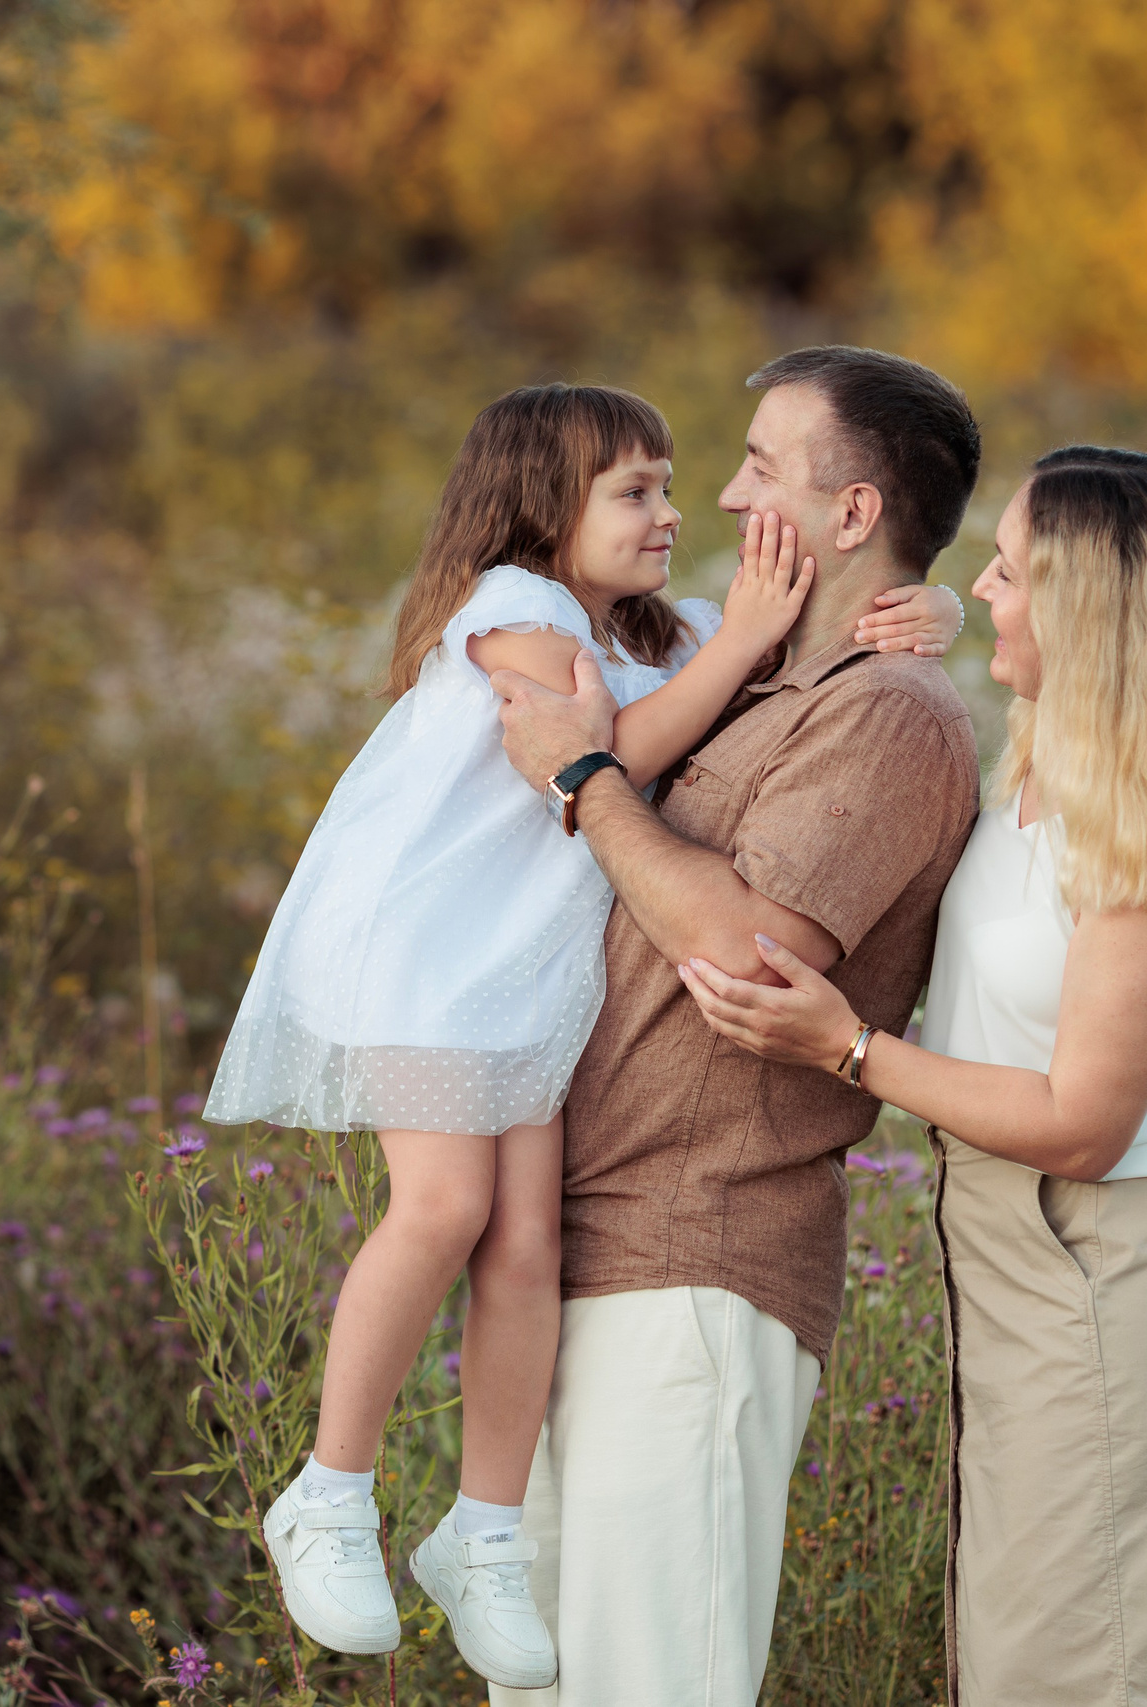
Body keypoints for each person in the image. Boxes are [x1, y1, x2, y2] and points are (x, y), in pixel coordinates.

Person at [202, 381, 964, 1689]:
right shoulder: (518, 606)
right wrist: (742, 640)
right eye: (638, 490)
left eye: (686, 480)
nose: (685, 509)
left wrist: (926, 606)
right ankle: (328, 1492)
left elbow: (786, 663)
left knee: (523, 1244)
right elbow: (599, 748)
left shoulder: (663, 632)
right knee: (443, 1209)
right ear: (542, 504)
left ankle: (483, 1534)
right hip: (437, 958)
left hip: (525, 982)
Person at [675, 446, 1147, 1704]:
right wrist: (935, 619)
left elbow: (1083, 1125)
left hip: (1118, 1249)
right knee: (1046, 1639)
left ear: (1094, 617)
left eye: (1010, 572)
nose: (978, 588)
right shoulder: (1044, 768)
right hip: (1021, 1249)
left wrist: (845, 1048)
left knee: (1121, 1653)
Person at [484, 346, 985, 1706]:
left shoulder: (890, 713)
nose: (721, 493)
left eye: (761, 466)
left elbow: (746, 954)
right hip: (572, 1255)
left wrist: (586, 780)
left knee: (651, 1682)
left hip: (695, 1263)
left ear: (853, 512)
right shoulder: (745, 677)